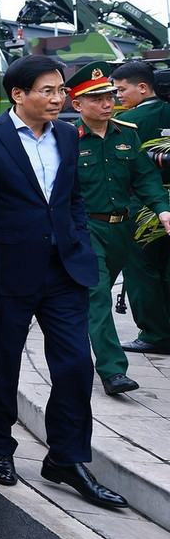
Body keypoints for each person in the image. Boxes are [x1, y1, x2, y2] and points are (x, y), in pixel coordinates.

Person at [0, 55, 127, 508]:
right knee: (3, 367)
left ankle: (67, 457)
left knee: (77, 365)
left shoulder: (66, 132)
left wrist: (77, 239)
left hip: (64, 269)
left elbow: (72, 197)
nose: (59, 98)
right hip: (10, 272)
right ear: (18, 94)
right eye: (48, 90)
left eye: (61, 90)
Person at [68, 61, 170, 394]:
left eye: (110, 95)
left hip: (122, 230)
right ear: (77, 104)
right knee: (97, 295)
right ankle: (113, 371)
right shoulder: (67, 139)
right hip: (86, 230)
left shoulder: (128, 133)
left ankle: (71, 341)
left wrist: (163, 210)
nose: (107, 103)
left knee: (87, 300)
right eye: (97, 98)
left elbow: (145, 178)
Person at [112, 61, 170, 355]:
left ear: (143, 87)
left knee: (141, 270)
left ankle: (156, 334)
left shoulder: (130, 121)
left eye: (122, 89)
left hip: (144, 205)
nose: (117, 95)